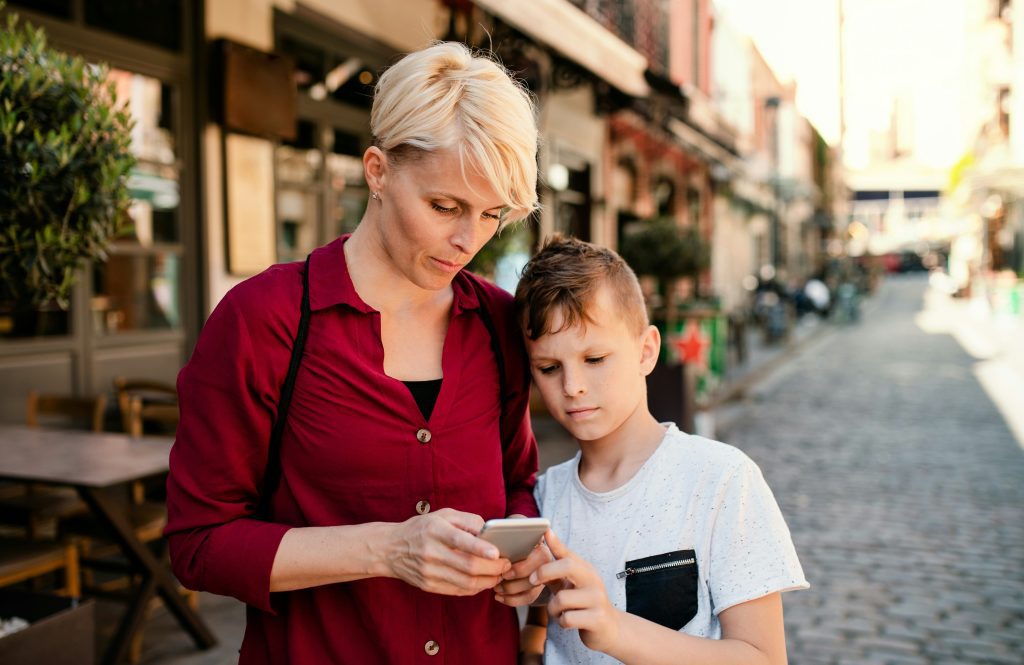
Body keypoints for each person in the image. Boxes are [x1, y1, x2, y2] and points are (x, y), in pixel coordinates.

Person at [165, 42, 545, 664]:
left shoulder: (500, 325)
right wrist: (388, 549)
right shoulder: (265, 320)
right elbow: (199, 544)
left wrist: (523, 552)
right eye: (443, 206)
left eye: (491, 215)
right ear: (377, 170)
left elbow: (518, 484)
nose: (466, 240)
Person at [503, 236, 808, 664]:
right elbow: (539, 629)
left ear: (646, 350)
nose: (572, 386)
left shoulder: (721, 478)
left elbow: (764, 658)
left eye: (595, 359)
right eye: (550, 368)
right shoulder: (543, 498)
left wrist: (614, 630)